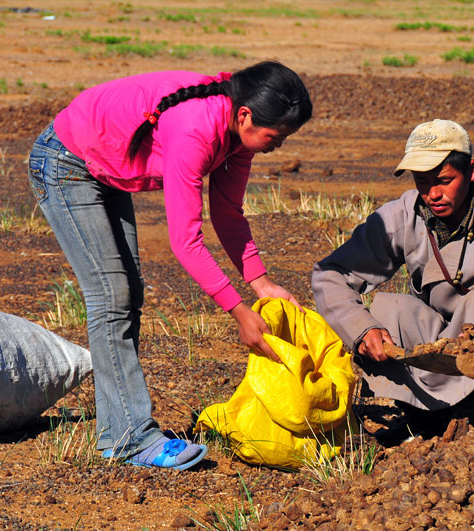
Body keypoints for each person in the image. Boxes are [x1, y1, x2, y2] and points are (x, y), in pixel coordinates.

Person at [27, 61, 312, 470]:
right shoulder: (196, 130)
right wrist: (239, 311)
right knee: (112, 295)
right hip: (67, 162)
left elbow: (228, 215)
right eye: (276, 137)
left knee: (127, 294)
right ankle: (130, 438)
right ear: (246, 115)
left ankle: (117, 431)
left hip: (101, 165)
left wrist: (262, 283)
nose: (278, 147)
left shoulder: (237, 135)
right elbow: (185, 242)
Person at [312, 119, 474, 439]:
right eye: (422, 181)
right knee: (389, 309)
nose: (433, 194)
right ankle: (431, 412)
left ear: (471, 171)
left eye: (445, 180)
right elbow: (330, 274)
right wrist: (361, 330)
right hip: (444, 346)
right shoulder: (403, 215)